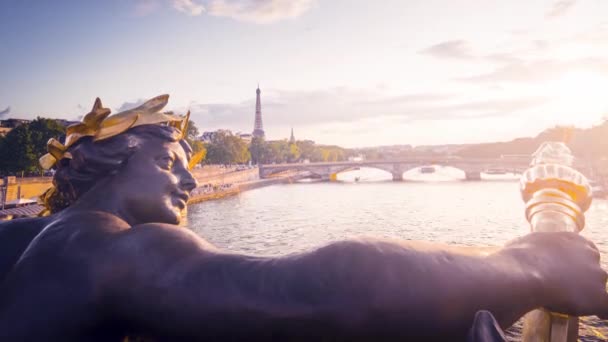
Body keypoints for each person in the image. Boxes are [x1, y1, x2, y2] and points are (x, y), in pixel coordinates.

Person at [0, 95, 607, 341]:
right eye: (170, 161)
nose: (189, 179)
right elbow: (324, 289)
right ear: (114, 158)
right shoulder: (102, 246)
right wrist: (528, 262)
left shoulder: (28, 239)